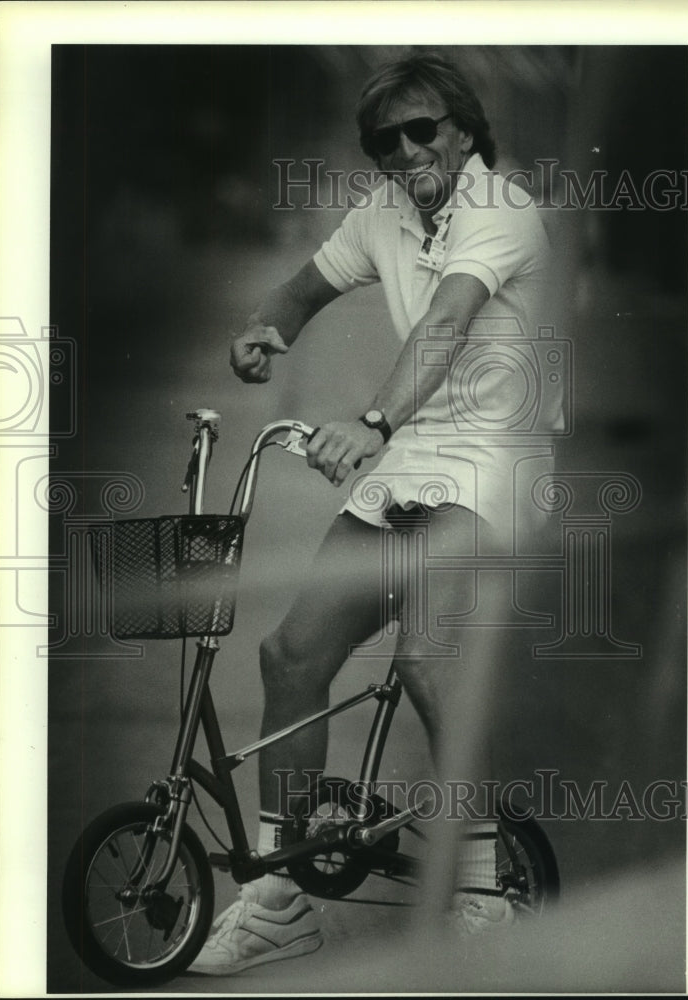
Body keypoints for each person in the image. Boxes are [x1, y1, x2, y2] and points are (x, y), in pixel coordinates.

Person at [190, 51, 555, 977]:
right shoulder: (385, 210)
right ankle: (276, 900)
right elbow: (304, 288)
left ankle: (481, 889)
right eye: (383, 139)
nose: (404, 150)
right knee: (291, 654)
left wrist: (373, 419)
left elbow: (446, 322)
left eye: (422, 129)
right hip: (418, 451)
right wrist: (265, 326)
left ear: (464, 131)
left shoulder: (501, 211)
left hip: (498, 459)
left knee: (428, 660)